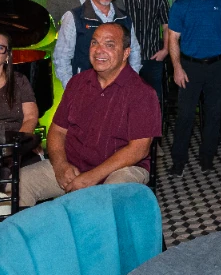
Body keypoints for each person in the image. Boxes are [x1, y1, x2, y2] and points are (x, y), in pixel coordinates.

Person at [18, 23, 160, 207]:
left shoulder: (142, 93)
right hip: (73, 165)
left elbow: (138, 149)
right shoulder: (77, 83)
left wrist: (92, 177)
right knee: (21, 182)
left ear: (126, 53)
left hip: (121, 169)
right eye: (94, 43)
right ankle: (36, 227)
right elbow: (57, 131)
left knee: (107, 196)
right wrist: (60, 165)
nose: (99, 50)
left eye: (109, 44)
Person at [168, 0, 221, 175]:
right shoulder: (181, 5)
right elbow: (173, 39)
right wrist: (177, 67)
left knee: (214, 115)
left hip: (217, 67)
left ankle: (207, 157)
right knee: (185, 116)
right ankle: (178, 160)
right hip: (189, 67)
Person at [53, 0, 142, 89]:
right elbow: (61, 58)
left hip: (119, 88)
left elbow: (134, 52)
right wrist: (72, 90)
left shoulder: (124, 18)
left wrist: (131, 82)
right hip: (85, 88)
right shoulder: (74, 17)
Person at [115, 0, 170, 105]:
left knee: (153, 101)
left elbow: (167, 26)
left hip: (152, 58)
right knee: (124, 101)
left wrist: (165, 50)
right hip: (124, 58)